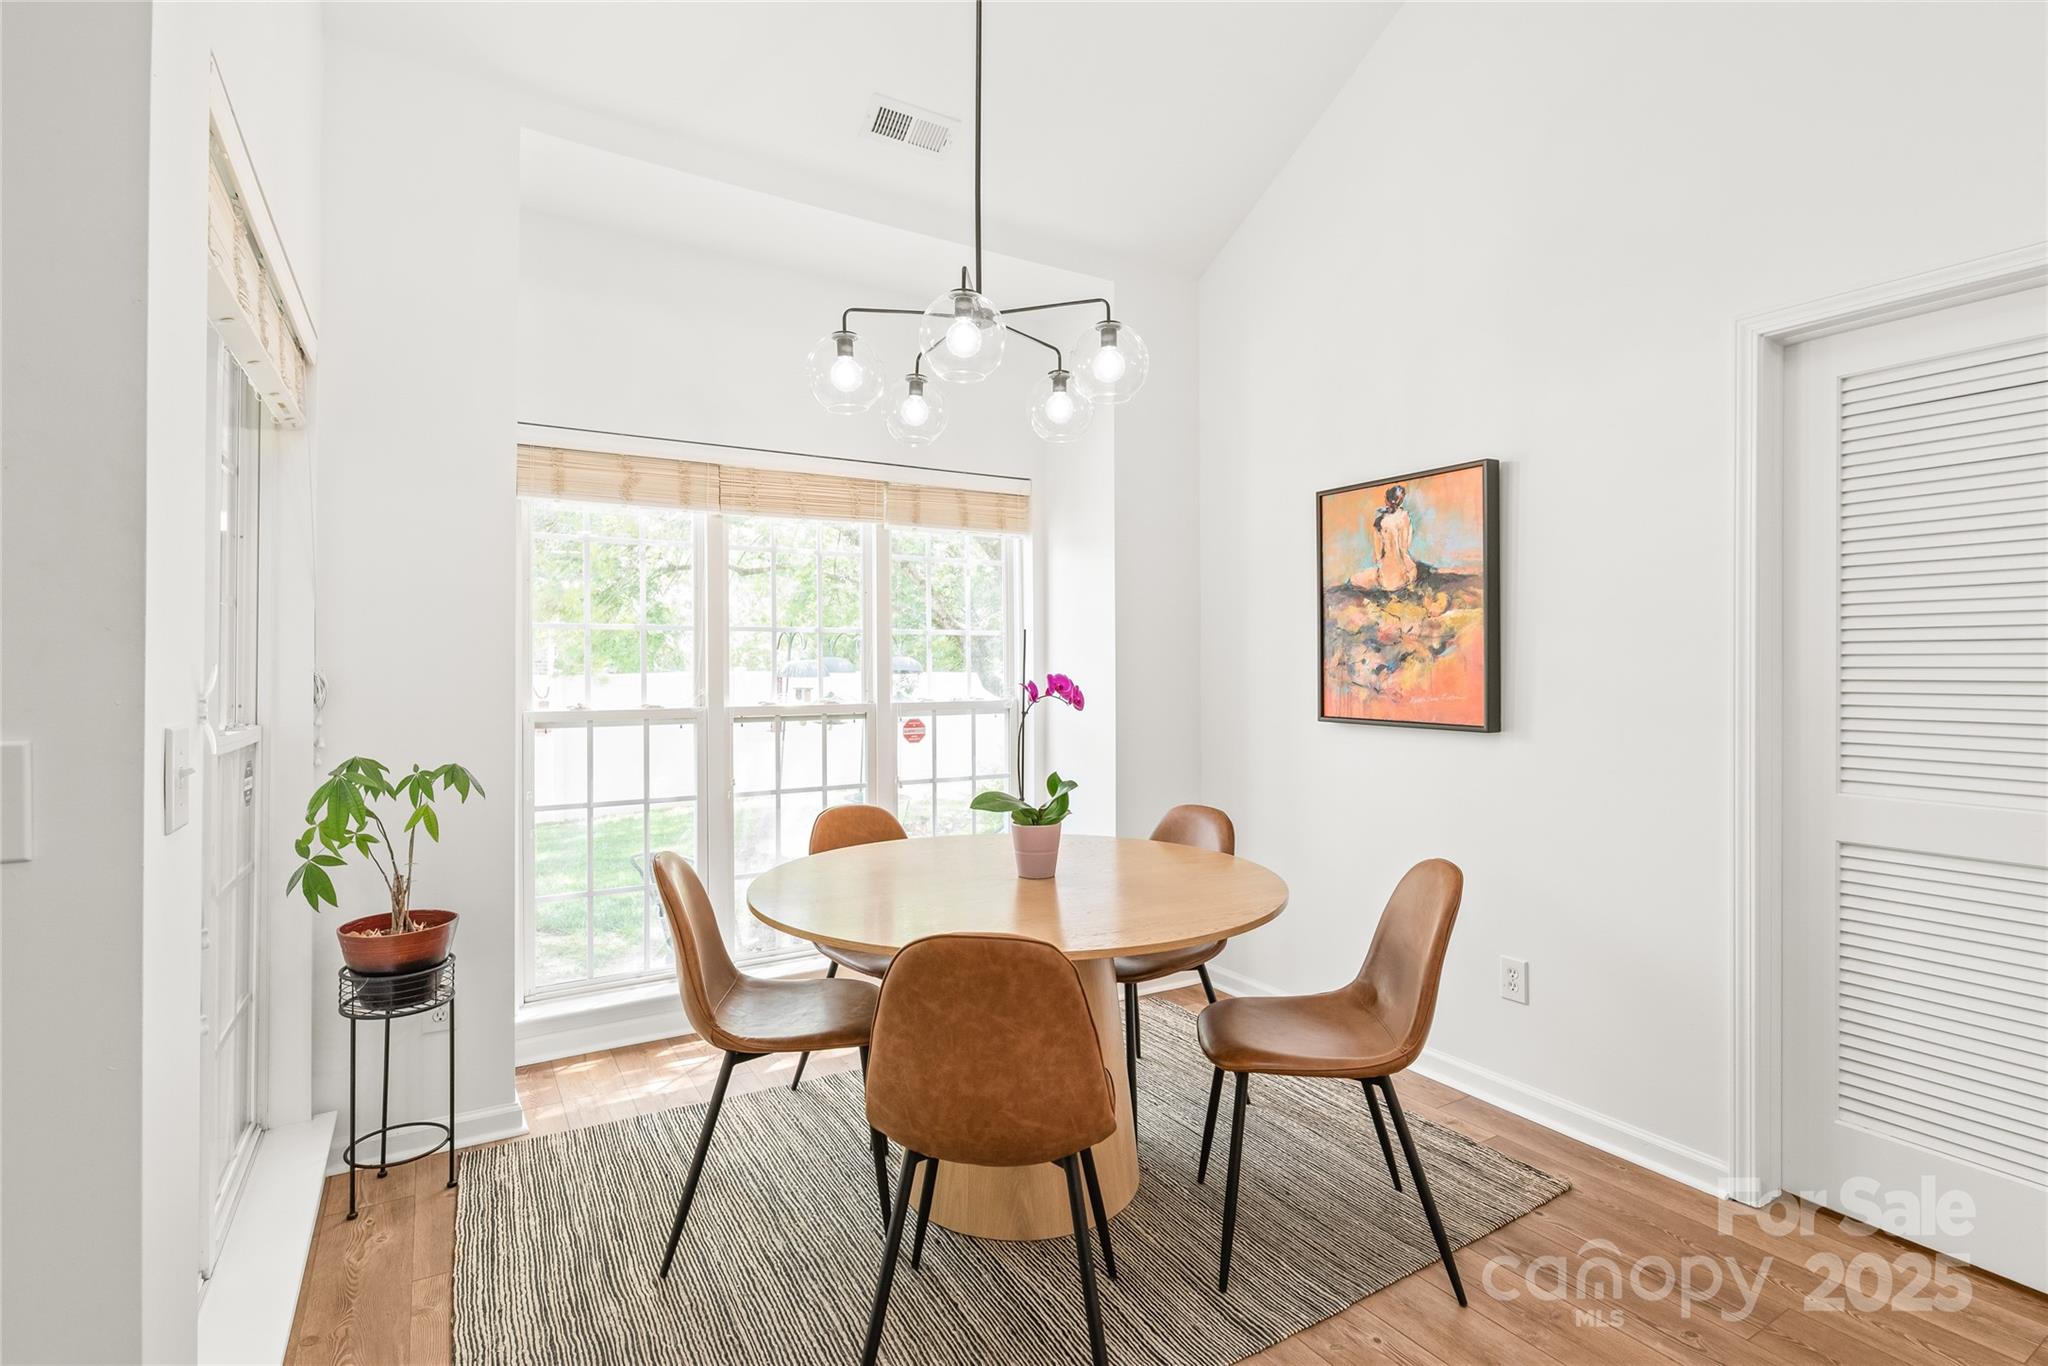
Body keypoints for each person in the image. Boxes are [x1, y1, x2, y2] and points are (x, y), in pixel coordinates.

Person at [1372, 484, 1416, 592]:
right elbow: (1404, 547)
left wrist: (1381, 565)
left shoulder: (1379, 521)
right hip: (1402, 577)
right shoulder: (1404, 517)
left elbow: (1378, 554)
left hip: (1385, 580)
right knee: (1412, 569)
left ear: (1387, 500)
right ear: (1400, 500)